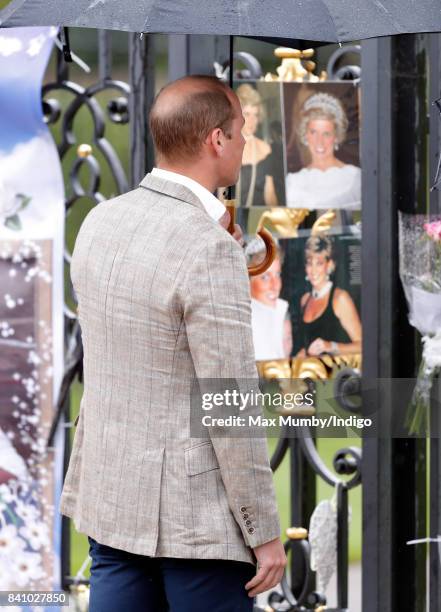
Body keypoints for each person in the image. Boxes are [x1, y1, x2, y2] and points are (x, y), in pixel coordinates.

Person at [60, 75, 286, 612]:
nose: (244, 144)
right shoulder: (207, 248)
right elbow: (228, 404)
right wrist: (265, 533)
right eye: (240, 132)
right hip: (196, 524)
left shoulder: (99, 222)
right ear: (216, 140)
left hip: (113, 502)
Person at [286, 92, 361, 210]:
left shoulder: (355, 177)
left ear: (336, 136)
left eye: (326, 134)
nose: (319, 142)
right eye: (313, 132)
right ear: (305, 135)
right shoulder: (292, 182)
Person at [297, 235, 361, 357]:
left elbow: (363, 345)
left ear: (329, 265)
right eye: (310, 263)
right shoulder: (305, 300)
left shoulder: (340, 299)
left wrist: (330, 346)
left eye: (319, 263)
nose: (313, 270)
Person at [246, 240, 292, 360]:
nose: (275, 285)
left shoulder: (281, 310)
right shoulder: (244, 324)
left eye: (277, 275)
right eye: (265, 277)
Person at [236, 84, 278, 207]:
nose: (252, 120)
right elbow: (222, 193)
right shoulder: (227, 147)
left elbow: (270, 194)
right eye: (247, 114)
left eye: (256, 115)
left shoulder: (265, 149)